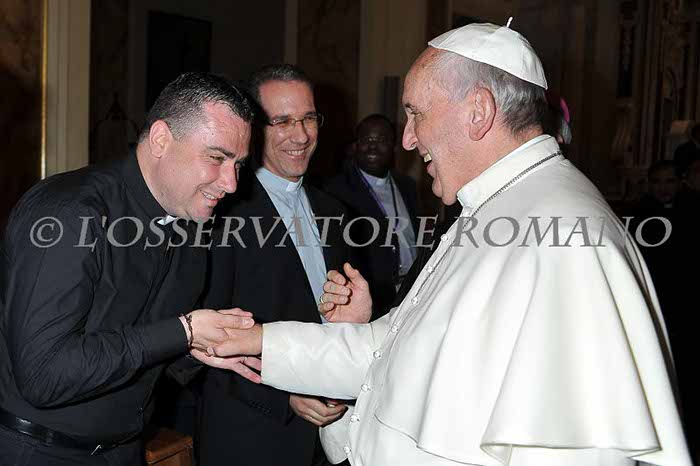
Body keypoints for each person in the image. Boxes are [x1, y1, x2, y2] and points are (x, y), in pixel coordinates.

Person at [210, 22, 692, 466]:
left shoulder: (566, 238)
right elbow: (385, 347)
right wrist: (256, 340)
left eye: (416, 114)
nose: (407, 140)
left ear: (478, 112)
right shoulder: (492, 206)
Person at [0, 72, 261, 466]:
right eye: (216, 158)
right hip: (37, 451)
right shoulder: (69, 213)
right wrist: (183, 331)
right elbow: (44, 377)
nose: (231, 183)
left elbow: (153, 355)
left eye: (238, 163)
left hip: (125, 450)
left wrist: (196, 347)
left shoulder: (191, 225)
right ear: (160, 140)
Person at [197, 64, 349, 466]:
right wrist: (285, 393)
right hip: (252, 437)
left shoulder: (334, 211)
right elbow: (202, 339)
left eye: (309, 118)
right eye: (282, 121)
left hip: (330, 439)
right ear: (253, 127)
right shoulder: (221, 214)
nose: (301, 135)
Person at [325, 114, 419, 318]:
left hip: (412, 294)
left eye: (381, 140)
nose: (373, 147)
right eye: (366, 140)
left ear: (394, 147)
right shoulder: (335, 191)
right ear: (355, 146)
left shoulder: (408, 187)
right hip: (371, 301)